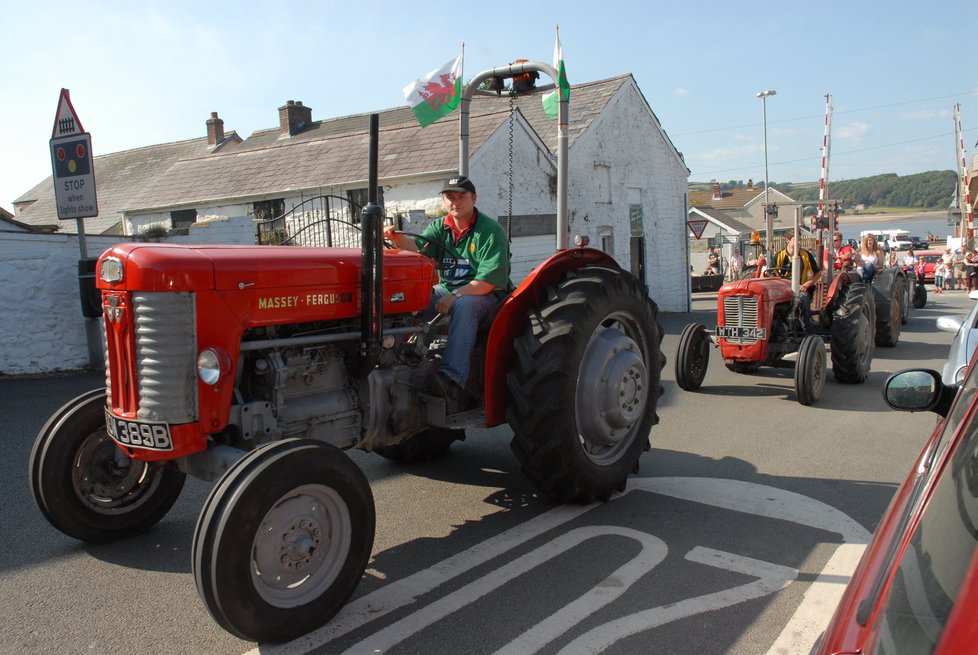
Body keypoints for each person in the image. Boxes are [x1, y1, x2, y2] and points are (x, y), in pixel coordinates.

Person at [383, 175, 511, 405]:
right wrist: (398, 240)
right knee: (413, 298)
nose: (455, 202)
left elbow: (489, 281)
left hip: (487, 296)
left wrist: (456, 295)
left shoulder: (490, 231)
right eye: (450, 197)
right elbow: (419, 250)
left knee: (464, 305)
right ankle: (395, 360)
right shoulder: (440, 227)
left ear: (474, 198)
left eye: (461, 197)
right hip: (448, 290)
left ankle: (451, 378)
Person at [772, 232, 823, 331]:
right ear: (788, 240)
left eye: (800, 240)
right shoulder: (780, 255)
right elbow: (772, 271)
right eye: (796, 240)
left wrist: (806, 284)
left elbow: (818, 273)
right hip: (783, 289)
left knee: (804, 299)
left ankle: (806, 329)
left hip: (800, 288)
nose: (799, 242)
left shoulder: (805, 255)